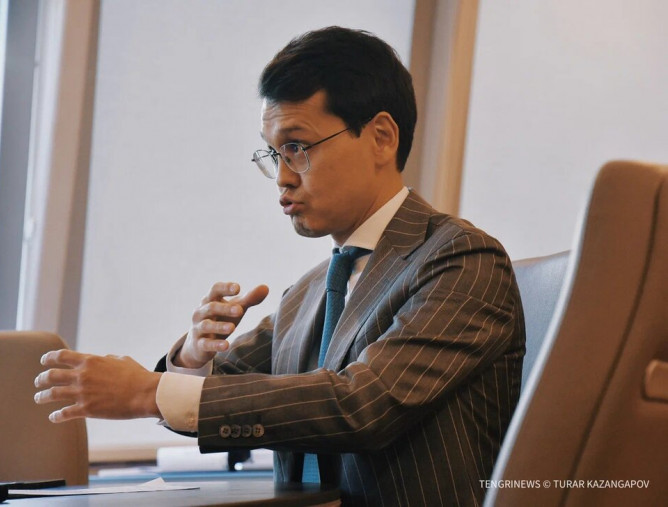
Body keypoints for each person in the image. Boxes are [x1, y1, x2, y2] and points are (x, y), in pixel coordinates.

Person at [35, 26, 525, 506]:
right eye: (274, 154)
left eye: (297, 148)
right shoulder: (309, 291)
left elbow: (361, 405)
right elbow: (230, 398)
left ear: (380, 138)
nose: (282, 178)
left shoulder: (462, 260)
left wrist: (151, 392)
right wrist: (193, 360)